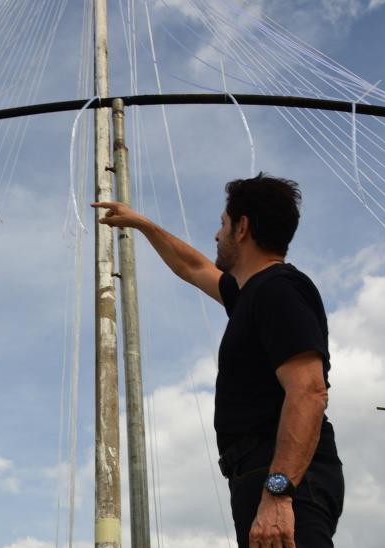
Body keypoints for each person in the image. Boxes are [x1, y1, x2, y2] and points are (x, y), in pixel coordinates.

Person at [92, 173, 344, 548]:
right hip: (260, 475)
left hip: (284, 478)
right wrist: (141, 223)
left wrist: (278, 492)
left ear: (242, 228)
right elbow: (192, 267)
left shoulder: (279, 290)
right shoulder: (250, 294)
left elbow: (308, 391)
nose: (216, 235)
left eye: (223, 224)